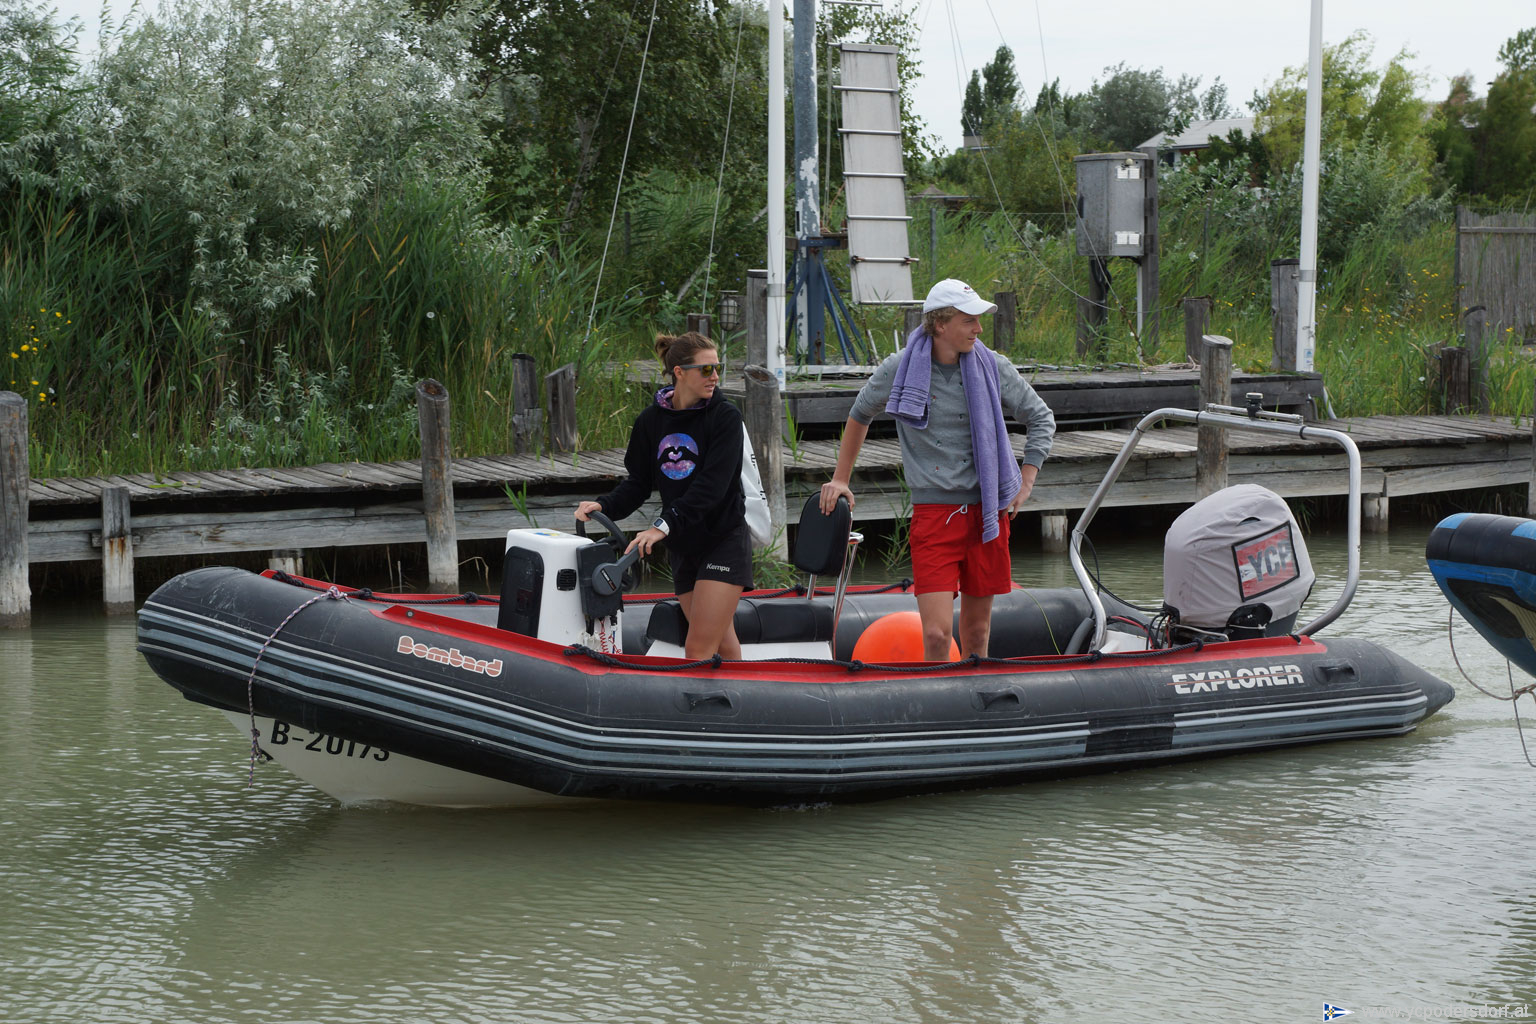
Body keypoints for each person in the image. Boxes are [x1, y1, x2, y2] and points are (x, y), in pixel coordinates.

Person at [819, 278, 1055, 660]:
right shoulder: (900, 367)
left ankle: (974, 695)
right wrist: (840, 479)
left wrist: (1026, 480)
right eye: (969, 320)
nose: (979, 329)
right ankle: (937, 692)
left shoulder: (993, 366)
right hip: (934, 514)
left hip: (988, 512)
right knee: (935, 633)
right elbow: (860, 412)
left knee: (977, 632)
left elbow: (1041, 418)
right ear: (941, 324)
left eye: (979, 320)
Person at [576, 331, 752, 660]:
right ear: (679, 372)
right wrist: (604, 505)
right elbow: (639, 483)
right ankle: (742, 694)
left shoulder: (725, 417)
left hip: (723, 541)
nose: (715, 376)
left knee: (698, 647)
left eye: (718, 368)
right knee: (722, 644)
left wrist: (661, 526)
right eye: (706, 369)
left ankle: (703, 698)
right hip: (684, 546)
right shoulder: (650, 422)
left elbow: (711, 488)